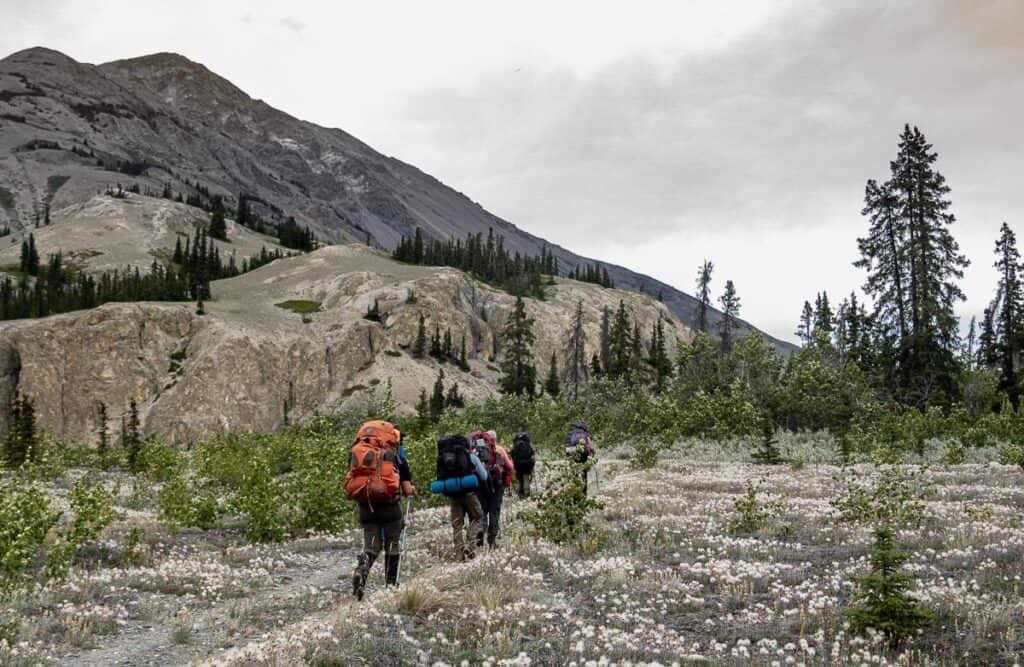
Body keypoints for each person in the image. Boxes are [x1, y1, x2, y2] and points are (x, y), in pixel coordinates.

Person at [345, 420, 414, 600]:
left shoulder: (359, 454)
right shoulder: (396, 457)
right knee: (392, 545)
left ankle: (362, 571)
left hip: (367, 509)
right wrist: (410, 490)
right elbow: (407, 489)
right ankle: (391, 586)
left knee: (371, 547)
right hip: (391, 509)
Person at [437, 433, 488, 561]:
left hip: (454, 495)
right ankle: (470, 546)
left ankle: (459, 555)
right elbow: (484, 476)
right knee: (478, 517)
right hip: (469, 494)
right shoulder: (471, 457)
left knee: (457, 524)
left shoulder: (442, 459)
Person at [471, 430, 513, 548]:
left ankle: (480, 536)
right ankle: (492, 541)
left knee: (482, 511)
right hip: (497, 484)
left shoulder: (474, 451)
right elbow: (510, 466)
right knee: (494, 512)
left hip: (480, 484)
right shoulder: (499, 449)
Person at [565, 420, 596, 494]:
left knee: (574, 473)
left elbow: (566, 447)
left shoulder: (570, 433)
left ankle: (574, 491)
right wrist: (593, 453)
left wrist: (567, 456)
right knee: (584, 473)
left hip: (572, 455)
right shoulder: (584, 433)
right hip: (583, 455)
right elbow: (591, 447)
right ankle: (583, 493)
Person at [510, 431, 536, 498]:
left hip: (518, 464)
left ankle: (521, 493)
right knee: (526, 477)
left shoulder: (515, 444)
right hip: (527, 464)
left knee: (520, 479)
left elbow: (512, 454)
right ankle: (526, 493)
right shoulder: (528, 444)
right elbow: (532, 453)